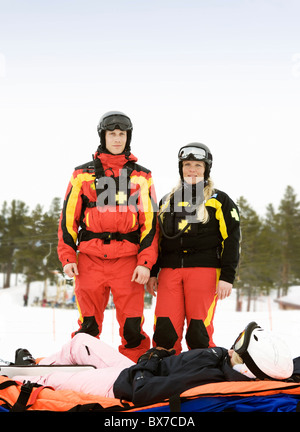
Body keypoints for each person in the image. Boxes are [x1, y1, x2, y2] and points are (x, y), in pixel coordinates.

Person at [57, 111, 158, 362]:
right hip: (90, 260)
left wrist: (146, 263)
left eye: (121, 134)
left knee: (132, 325)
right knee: (88, 324)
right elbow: (68, 218)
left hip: (128, 261)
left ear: (128, 137)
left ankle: (136, 370)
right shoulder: (82, 174)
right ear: (103, 136)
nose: (116, 138)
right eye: (111, 133)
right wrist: (68, 256)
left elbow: (150, 224)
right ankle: (84, 365)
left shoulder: (141, 176)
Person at [9, 322, 297, 406]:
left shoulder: (205, 380)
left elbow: (143, 391)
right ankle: (43, 363)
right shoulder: (222, 359)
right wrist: (159, 358)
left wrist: (149, 360)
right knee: (80, 341)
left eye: (239, 347)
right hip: (132, 370)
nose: (232, 346)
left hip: (119, 385)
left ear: (246, 367)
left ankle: (34, 375)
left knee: (49, 382)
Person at [147, 142, 240, 354]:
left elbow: (232, 240)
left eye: (198, 165)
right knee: (165, 328)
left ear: (206, 168)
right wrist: (153, 272)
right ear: (180, 168)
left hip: (204, 270)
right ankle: (163, 370)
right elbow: (157, 240)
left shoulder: (219, 200)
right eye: (187, 164)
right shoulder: (166, 201)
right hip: (169, 271)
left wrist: (227, 276)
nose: (192, 169)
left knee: (199, 330)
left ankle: (201, 369)